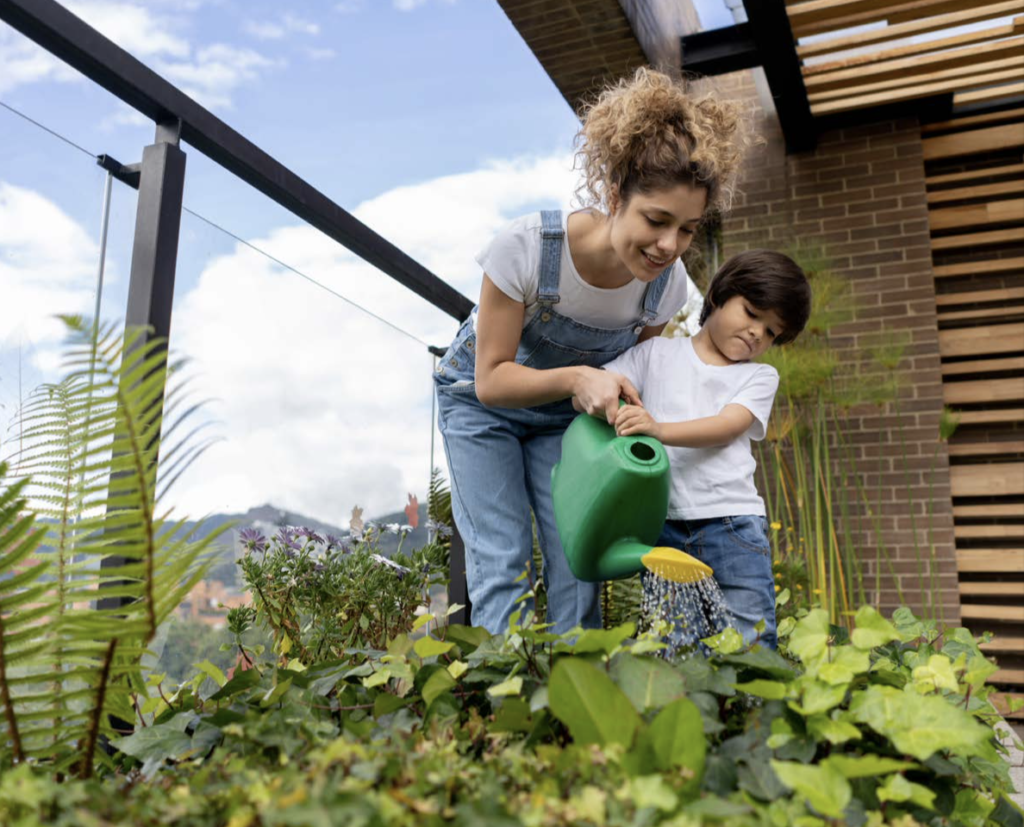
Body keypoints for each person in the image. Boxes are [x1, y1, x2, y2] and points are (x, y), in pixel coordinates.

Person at [433, 67, 748, 635]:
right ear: (612, 195)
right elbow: (491, 380)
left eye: (687, 229)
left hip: (569, 424)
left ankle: (570, 706)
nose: (668, 246)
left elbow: (640, 372)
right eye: (656, 220)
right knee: (502, 561)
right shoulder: (525, 249)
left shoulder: (666, 287)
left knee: (579, 564)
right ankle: (506, 711)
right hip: (482, 409)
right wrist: (580, 376)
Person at [601, 249, 812, 649]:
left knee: (750, 636)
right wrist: (610, 404)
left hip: (731, 524)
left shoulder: (759, 376)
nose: (756, 333)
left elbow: (725, 427)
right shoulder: (655, 354)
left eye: (771, 332)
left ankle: (752, 712)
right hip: (661, 525)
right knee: (675, 642)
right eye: (752, 313)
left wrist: (656, 429)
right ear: (717, 295)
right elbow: (600, 386)